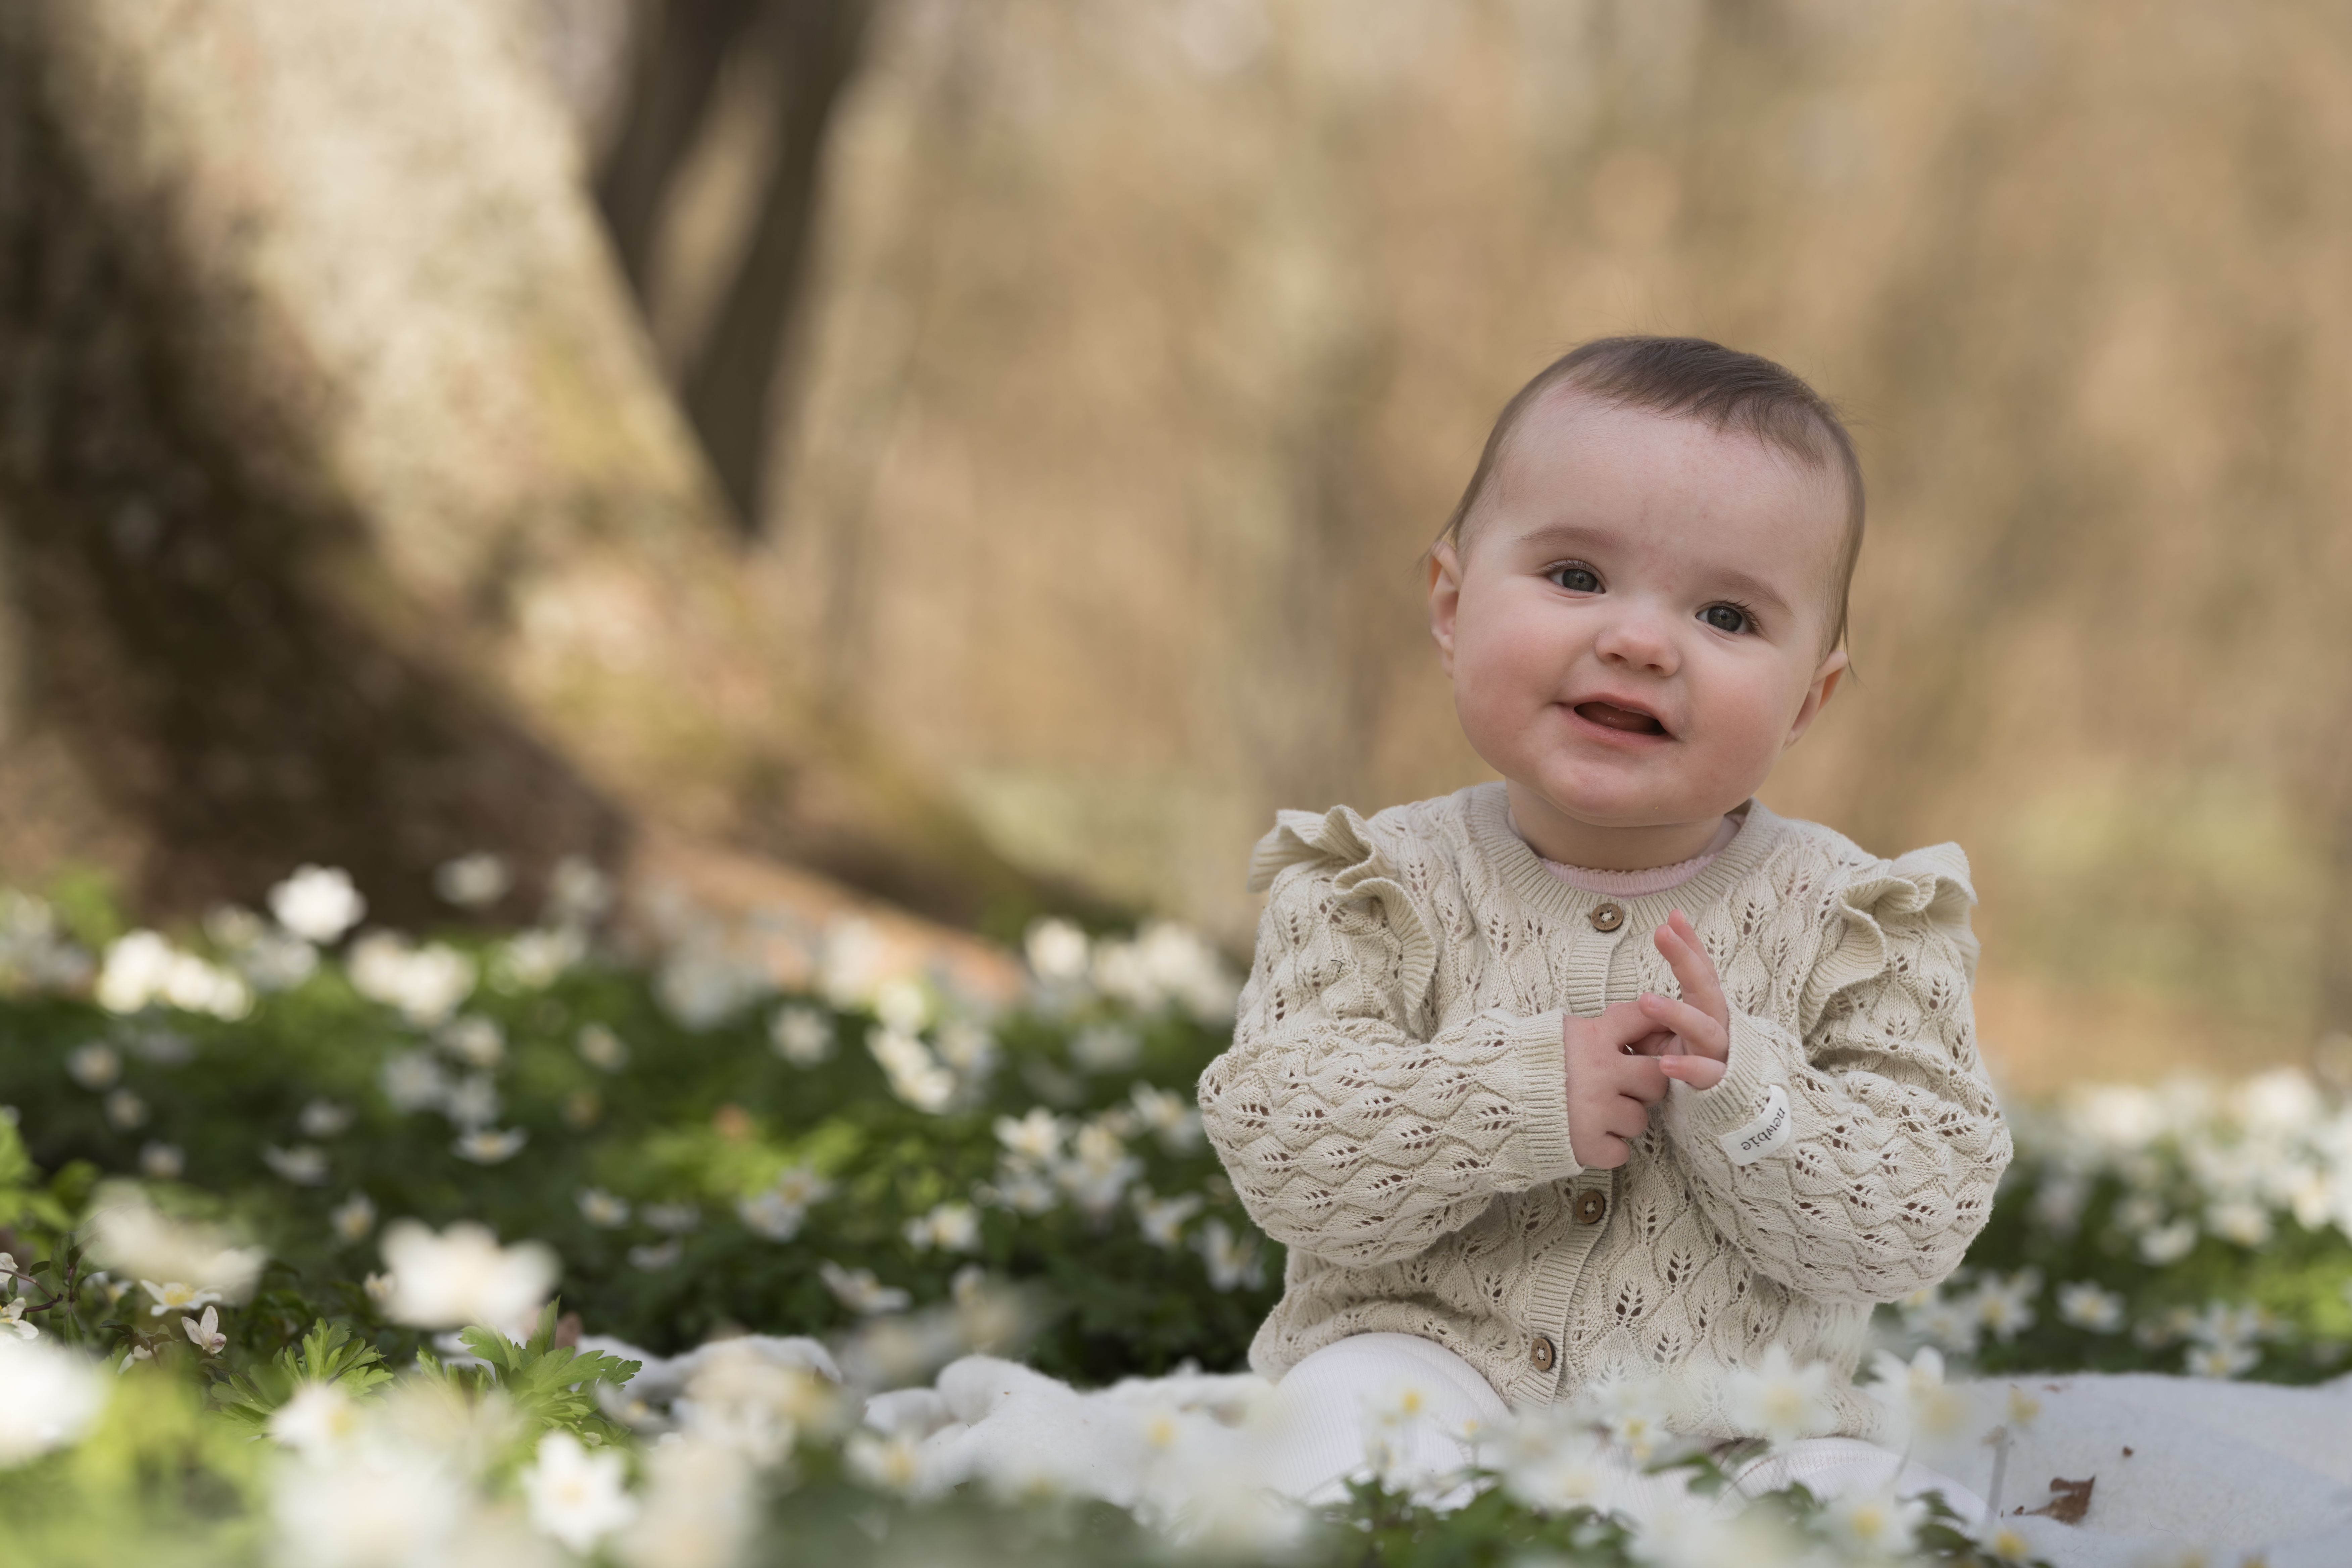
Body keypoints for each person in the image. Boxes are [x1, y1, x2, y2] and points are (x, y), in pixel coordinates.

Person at [1197, 335, 2011, 1510]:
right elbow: (1286, 1151)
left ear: (1808, 699)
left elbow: (1917, 1219)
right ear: (1451, 602)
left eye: (1727, 614)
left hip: (1741, 1427)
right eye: (1577, 577)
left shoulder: (1862, 924)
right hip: (1432, 1368)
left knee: (1879, 1510)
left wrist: (1752, 1101)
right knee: (1339, 1432)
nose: (1640, 640)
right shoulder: (1370, 885)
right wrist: (1518, 1096)